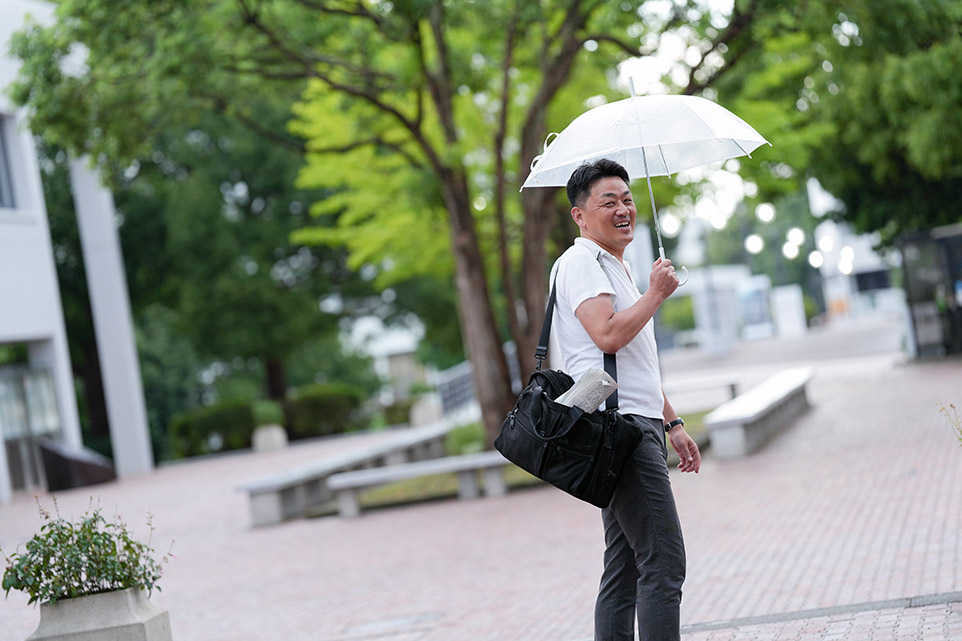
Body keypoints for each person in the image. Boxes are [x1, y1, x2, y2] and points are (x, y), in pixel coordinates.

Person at [548, 158, 701, 641]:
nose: (623, 209)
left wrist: (672, 423)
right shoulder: (581, 263)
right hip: (622, 430)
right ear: (579, 215)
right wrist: (656, 295)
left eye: (628, 199)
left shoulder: (614, 266)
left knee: (627, 567)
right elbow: (608, 335)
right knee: (664, 561)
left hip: (635, 423)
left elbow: (634, 363)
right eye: (608, 201)